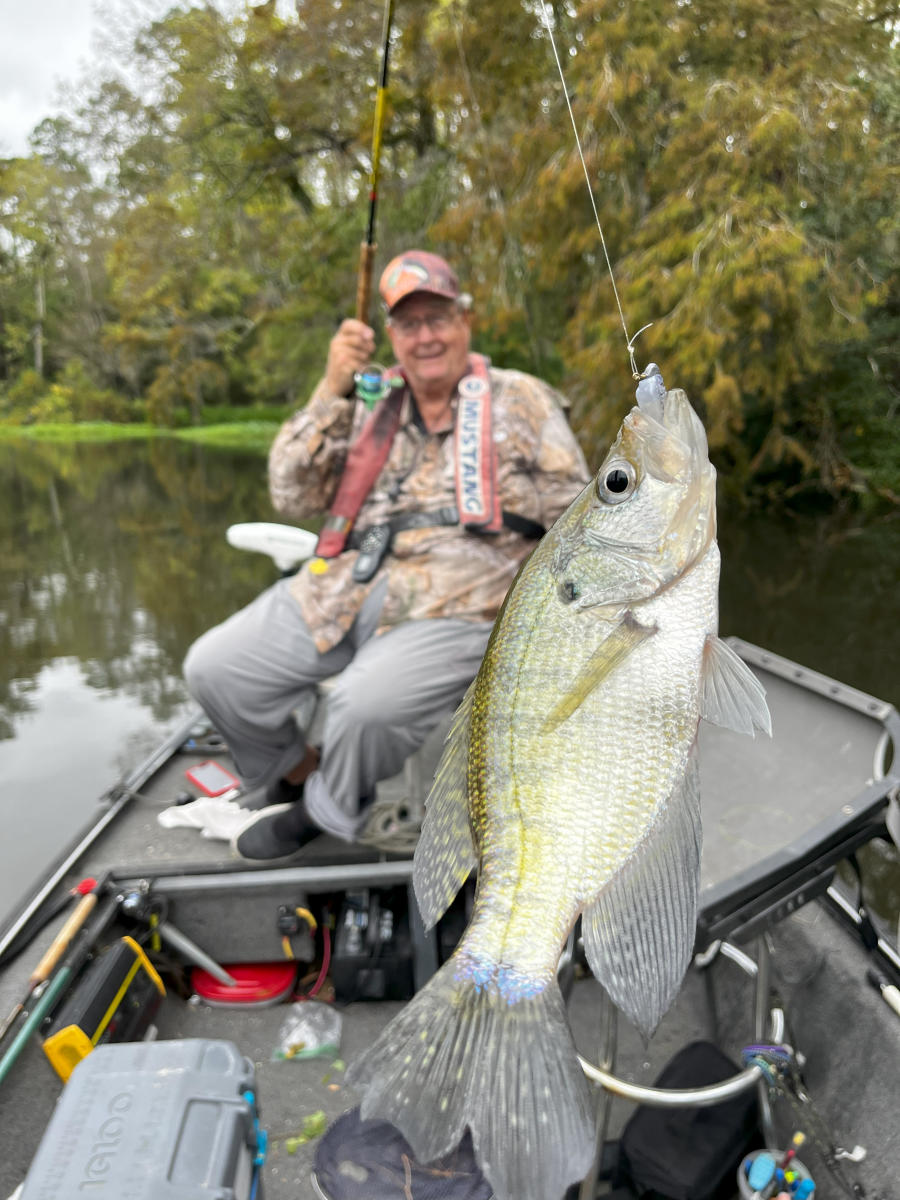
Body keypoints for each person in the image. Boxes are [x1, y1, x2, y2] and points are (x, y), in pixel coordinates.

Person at [183, 249, 589, 859]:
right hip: (346, 584)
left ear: (464, 322)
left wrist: (569, 627)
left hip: (463, 599)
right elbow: (291, 490)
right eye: (409, 324)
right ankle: (300, 773)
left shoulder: (521, 399)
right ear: (392, 337)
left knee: (364, 705)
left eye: (438, 318)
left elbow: (578, 519)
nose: (425, 336)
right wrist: (331, 386)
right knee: (214, 668)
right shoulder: (371, 401)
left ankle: (329, 809)